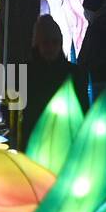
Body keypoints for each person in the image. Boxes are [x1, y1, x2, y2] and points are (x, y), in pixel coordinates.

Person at [23, 15, 73, 147]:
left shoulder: (74, 74)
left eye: (54, 42)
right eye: (45, 42)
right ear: (37, 44)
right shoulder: (22, 73)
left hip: (61, 140)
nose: (50, 47)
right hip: (35, 140)